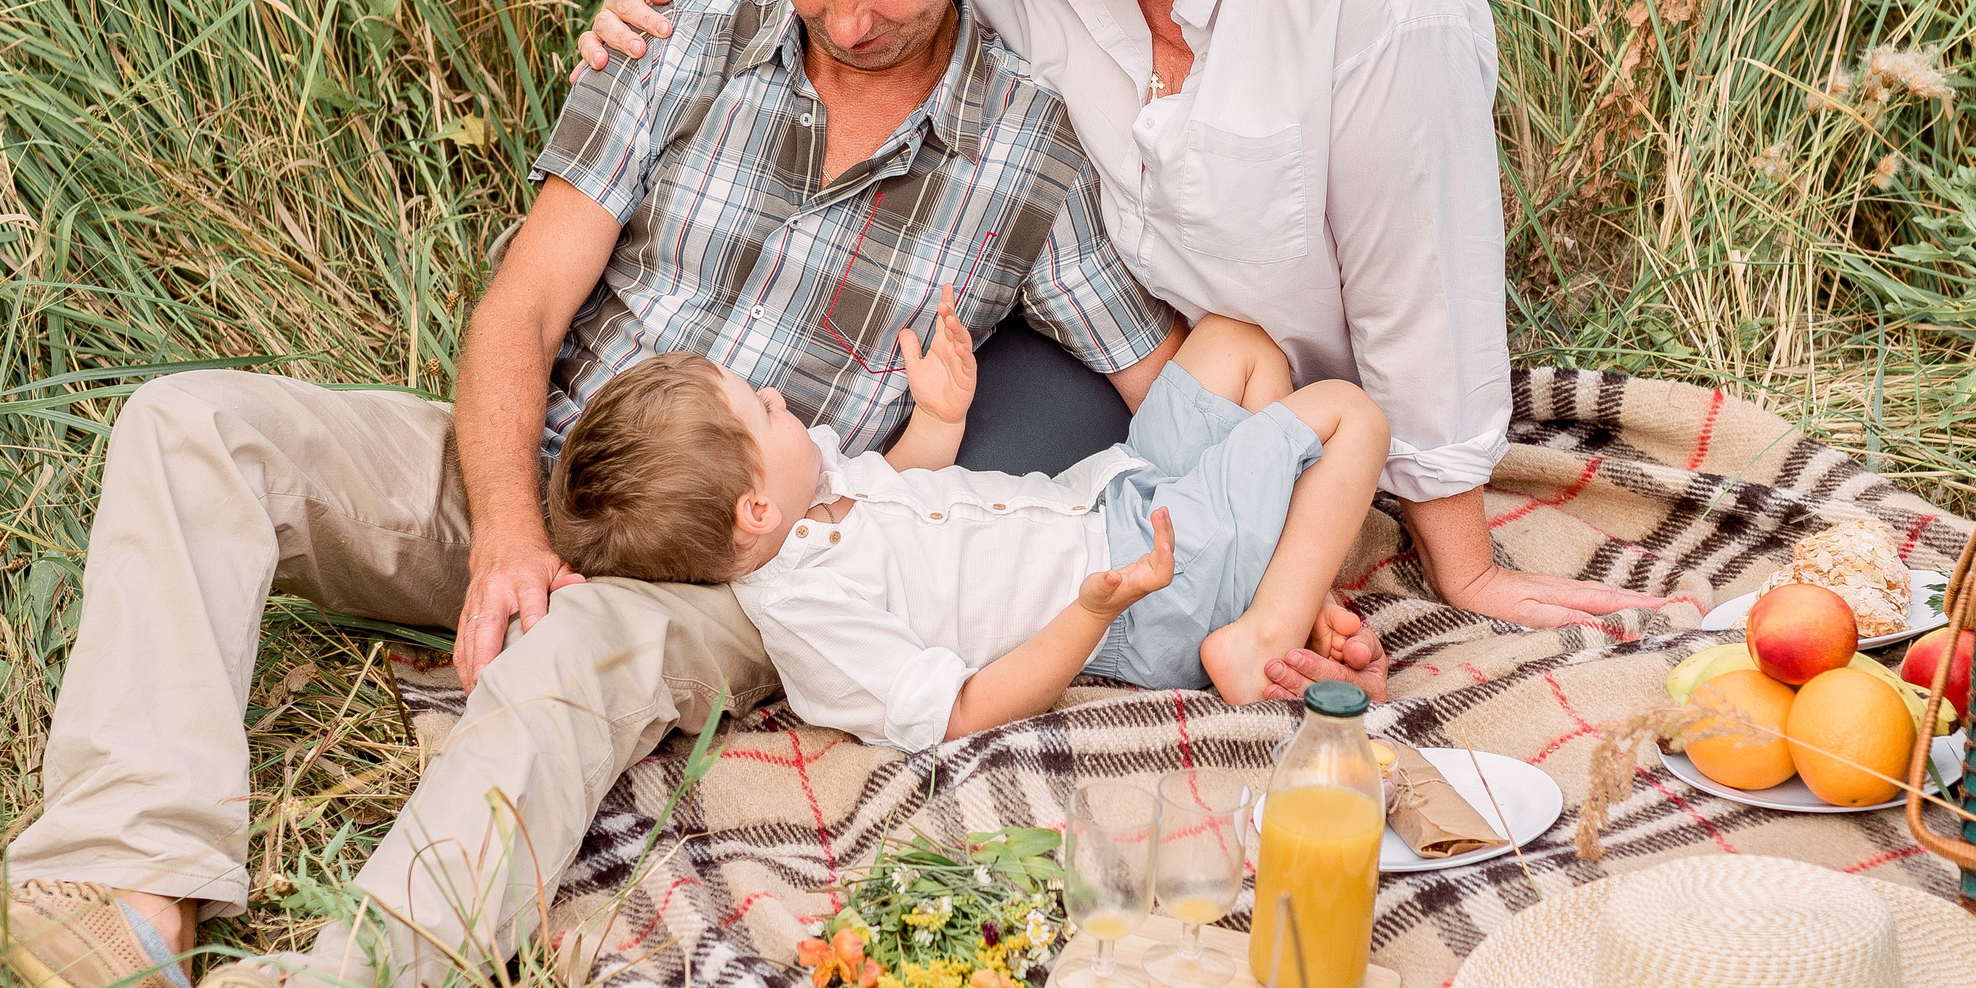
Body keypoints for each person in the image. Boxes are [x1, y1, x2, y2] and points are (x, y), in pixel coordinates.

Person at [0, 0, 1191, 988]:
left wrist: (1279, 523)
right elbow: (524, 309)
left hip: (735, 558)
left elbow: (1170, 378)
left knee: (573, 651)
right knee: (195, 425)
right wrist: (504, 526)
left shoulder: (1028, 151)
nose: (845, 19)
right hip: (551, 464)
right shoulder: (677, 49)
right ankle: (124, 919)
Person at [582, 0, 1668, 634]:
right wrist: (651, 23)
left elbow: (1422, 295)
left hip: (1301, 405)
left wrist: (1462, 563)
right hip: (1136, 362)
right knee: (952, 551)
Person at [549, 297, 1391, 736]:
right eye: (762, 411)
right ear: (755, 509)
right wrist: (1091, 611)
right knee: (1349, 415)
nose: (776, 395)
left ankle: (1285, 583)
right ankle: (1261, 634)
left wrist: (939, 417)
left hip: (1112, 493)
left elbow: (906, 495)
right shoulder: (813, 616)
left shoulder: (817, 490)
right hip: (1142, 591)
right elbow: (961, 712)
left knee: (1236, 344)